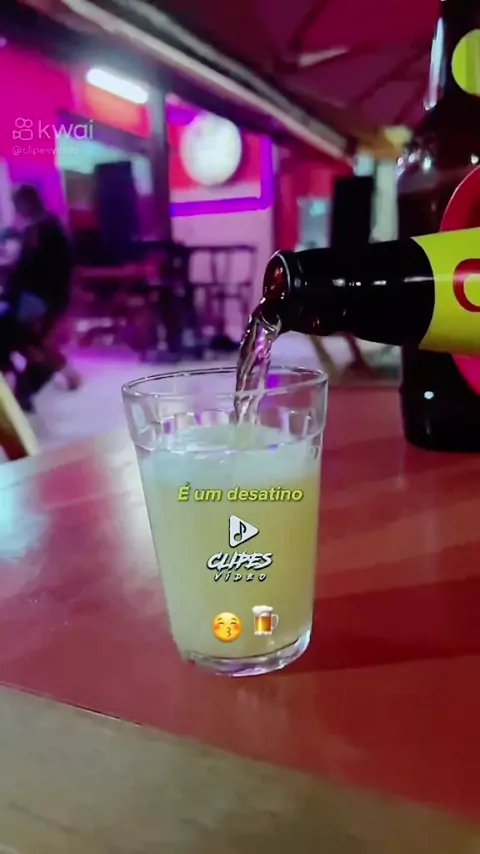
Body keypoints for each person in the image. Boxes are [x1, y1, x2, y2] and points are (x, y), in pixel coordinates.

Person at [4, 185, 80, 411]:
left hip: (41, 299)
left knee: (15, 336)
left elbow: (27, 269)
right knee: (24, 341)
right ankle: (23, 386)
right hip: (48, 298)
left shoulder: (40, 230)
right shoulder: (48, 226)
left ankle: (23, 388)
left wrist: (9, 281)